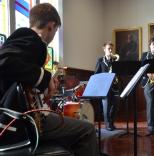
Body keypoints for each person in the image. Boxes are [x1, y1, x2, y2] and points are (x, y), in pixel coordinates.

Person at [0, 3, 97, 156]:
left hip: (24, 118)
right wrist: (45, 78)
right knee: (88, 129)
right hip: (20, 123)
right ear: (51, 26)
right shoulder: (29, 37)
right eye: (56, 30)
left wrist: (43, 89)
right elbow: (4, 61)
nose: (54, 35)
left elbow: (20, 79)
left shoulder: (29, 41)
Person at [94, 42, 119, 131]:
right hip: (104, 87)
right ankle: (107, 124)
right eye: (109, 48)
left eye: (112, 49)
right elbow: (96, 74)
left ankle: (111, 122)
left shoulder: (115, 61)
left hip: (114, 86)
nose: (111, 50)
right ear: (104, 49)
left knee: (115, 106)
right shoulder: (100, 60)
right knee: (106, 106)